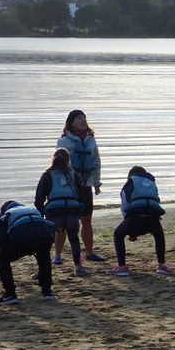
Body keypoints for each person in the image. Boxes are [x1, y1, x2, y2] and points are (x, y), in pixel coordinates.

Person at [56, 109, 104, 262]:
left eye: (84, 117)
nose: (83, 120)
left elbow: (96, 162)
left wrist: (96, 183)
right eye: (79, 118)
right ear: (71, 122)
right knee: (64, 222)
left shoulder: (91, 139)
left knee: (87, 220)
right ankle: (57, 256)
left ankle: (89, 253)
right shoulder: (64, 141)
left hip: (86, 185)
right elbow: (58, 165)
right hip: (69, 187)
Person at [35, 148, 88, 276]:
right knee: (74, 239)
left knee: (45, 242)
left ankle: (42, 270)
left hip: (54, 211)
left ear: (53, 158)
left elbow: (39, 198)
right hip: (72, 210)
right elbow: (81, 195)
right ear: (68, 160)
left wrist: (41, 215)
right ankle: (78, 267)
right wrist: (80, 212)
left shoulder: (47, 174)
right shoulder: (73, 174)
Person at [112, 166, 172, 276]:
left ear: (130, 176)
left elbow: (124, 208)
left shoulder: (129, 184)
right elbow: (156, 201)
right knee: (159, 235)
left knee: (118, 234)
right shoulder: (151, 183)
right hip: (153, 219)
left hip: (135, 218)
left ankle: (122, 266)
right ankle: (162, 265)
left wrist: (131, 232)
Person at [0, 201, 57, 304]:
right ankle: (47, 292)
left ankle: (10, 294)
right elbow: (51, 225)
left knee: (2, 260)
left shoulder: (7, 214)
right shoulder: (33, 210)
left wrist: (5, 250)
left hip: (22, 237)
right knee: (44, 257)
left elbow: (1, 239)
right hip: (43, 236)